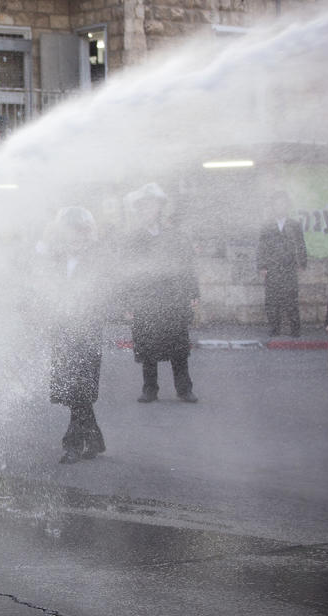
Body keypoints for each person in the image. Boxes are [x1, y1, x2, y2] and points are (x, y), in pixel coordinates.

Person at [39, 207, 108, 464]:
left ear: (87, 233)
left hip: (87, 333)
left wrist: (85, 308)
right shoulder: (56, 258)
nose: (73, 238)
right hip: (61, 332)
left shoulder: (100, 258)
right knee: (71, 391)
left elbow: (107, 292)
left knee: (79, 389)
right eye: (68, 232)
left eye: (79, 232)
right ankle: (95, 439)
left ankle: (73, 444)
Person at [122, 183, 199, 404]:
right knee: (147, 346)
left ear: (159, 208)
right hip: (145, 299)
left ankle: (184, 389)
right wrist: (127, 302)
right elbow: (126, 273)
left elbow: (186, 265)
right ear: (139, 210)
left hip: (173, 298)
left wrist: (193, 293)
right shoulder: (132, 239)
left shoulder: (175, 236)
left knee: (178, 346)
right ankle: (150, 389)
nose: (149, 209)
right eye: (144, 206)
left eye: (153, 205)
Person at [257, 191, 307, 337]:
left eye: (282, 204)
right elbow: (261, 247)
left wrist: (302, 263)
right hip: (272, 268)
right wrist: (261, 266)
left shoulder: (294, 225)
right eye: (277, 204)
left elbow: (301, 244)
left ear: (287, 206)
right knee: (272, 299)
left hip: (289, 266)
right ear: (273, 206)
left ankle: (295, 329)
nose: (279, 207)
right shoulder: (267, 225)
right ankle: (274, 328)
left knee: (291, 298)